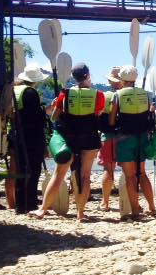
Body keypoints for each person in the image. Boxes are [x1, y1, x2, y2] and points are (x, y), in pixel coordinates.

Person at [34, 62, 104, 222]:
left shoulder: (64, 93)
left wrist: (55, 107)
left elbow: (55, 117)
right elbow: (98, 114)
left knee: (59, 174)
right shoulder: (98, 94)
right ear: (88, 75)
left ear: (74, 77)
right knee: (85, 176)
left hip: (69, 136)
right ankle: (80, 213)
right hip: (89, 137)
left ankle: (43, 210)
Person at [108, 65, 156, 220]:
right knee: (141, 173)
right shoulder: (145, 94)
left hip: (125, 138)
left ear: (122, 79)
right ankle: (152, 207)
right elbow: (149, 113)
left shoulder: (118, 94)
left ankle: (135, 210)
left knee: (130, 176)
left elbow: (111, 119)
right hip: (142, 137)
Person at [11, 64, 48, 215]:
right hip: (32, 136)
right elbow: (37, 118)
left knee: (21, 170)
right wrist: (44, 111)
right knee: (33, 170)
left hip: (17, 135)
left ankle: (20, 204)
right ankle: (30, 203)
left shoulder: (15, 90)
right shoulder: (30, 92)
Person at [98, 66, 122, 211]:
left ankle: (105, 202)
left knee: (108, 169)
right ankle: (132, 201)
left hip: (108, 136)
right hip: (127, 137)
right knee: (130, 171)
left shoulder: (104, 96)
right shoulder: (128, 96)